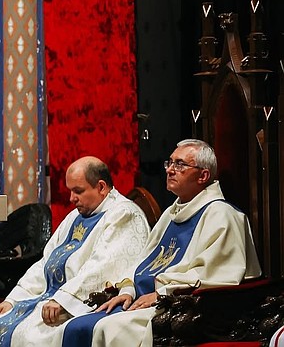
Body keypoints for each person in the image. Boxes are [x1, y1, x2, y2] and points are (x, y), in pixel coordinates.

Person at [61, 139, 261, 347]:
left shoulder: (222, 215)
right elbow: (144, 261)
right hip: (142, 299)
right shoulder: (171, 213)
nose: (170, 170)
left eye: (180, 164)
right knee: (77, 325)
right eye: (170, 163)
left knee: (107, 329)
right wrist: (127, 291)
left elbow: (218, 275)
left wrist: (161, 293)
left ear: (203, 176)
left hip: (176, 305)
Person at [0, 157, 151, 347]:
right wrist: (13, 300)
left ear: (101, 187)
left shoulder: (123, 214)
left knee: (33, 338)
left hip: (79, 303)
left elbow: (103, 266)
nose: (71, 198)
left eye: (78, 191)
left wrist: (63, 300)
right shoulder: (76, 216)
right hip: (51, 299)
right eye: (70, 191)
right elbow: (46, 263)